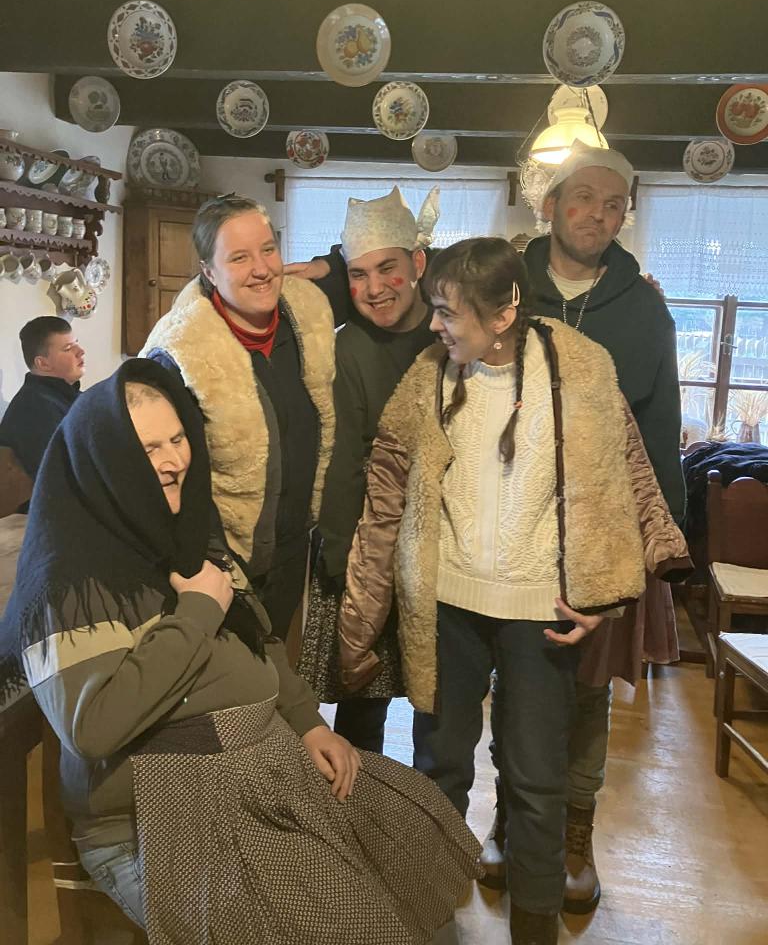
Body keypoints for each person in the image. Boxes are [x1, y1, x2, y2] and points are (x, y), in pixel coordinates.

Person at [0, 358, 480, 945]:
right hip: (165, 816)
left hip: (262, 773)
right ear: (106, 460)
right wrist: (197, 611)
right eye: (149, 449)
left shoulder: (184, 532)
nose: (174, 461)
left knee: (410, 839)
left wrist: (308, 724)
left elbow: (260, 639)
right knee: (343, 927)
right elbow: (94, 725)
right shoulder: (69, 583)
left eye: (177, 439)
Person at [338, 238, 691, 945]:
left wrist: (609, 594)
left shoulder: (580, 368)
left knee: (536, 782)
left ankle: (534, 930)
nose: (433, 324)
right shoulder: (428, 377)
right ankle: (429, 920)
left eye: (448, 312)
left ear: (502, 316)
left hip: (541, 614)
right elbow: (384, 503)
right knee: (438, 769)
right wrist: (359, 621)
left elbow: (624, 479)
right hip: (447, 609)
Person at [476, 143, 683, 914]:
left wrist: (662, 542)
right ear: (551, 205)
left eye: (614, 204)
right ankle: (508, 820)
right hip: (507, 526)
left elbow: (660, 427)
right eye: (585, 198)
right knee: (512, 683)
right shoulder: (502, 285)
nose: (599, 214)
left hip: (603, 536)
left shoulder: (644, 308)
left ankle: (573, 837)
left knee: (587, 694)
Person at [142, 195, 335, 643]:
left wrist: (332, 265)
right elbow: (163, 473)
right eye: (239, 257)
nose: (262, 269)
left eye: (268, 250)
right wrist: (205, 564)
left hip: (289, 554)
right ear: (209, 272)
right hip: (216, 568)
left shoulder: (305, 318)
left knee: (274, 666)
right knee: (228, 675)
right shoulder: (181, 352)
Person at [298, 186, 439, 753]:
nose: (375, 288)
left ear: (419, 264)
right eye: (358, 275)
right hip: (367, 550)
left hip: (445, 551)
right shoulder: (347, 348)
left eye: (387, 269)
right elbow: (340, 460)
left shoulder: (452, 331)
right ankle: (359, 804)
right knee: (363, 708)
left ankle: (430, 806)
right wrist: (338, 556)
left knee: (441, 707)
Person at [0, 316, 84, 508]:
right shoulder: (33, 408)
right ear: (43, 364)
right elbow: (61, 477)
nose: (81, 351)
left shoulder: (71, 398)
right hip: (46, 513)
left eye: (77, 343)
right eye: (68, 348)